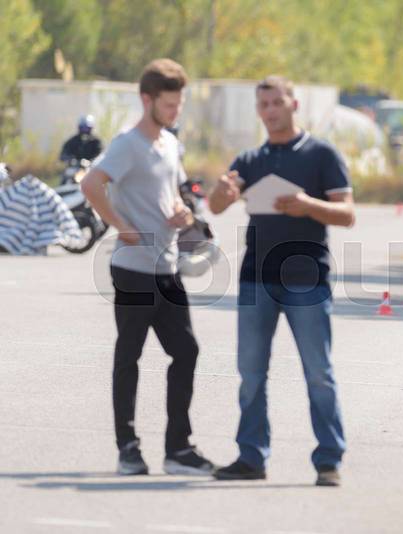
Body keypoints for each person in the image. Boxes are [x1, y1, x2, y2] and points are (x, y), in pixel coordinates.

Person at [208, 75, 355, 486]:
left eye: (277, 102)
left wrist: (308, 205)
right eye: (264, 105)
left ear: (294, 104)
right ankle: (251, 457)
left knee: (318, 373)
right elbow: (216, 207)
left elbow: (347, 213)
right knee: (251, 374)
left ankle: (329, 460)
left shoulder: (321, 154)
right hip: (256, 278)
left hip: (307, 279)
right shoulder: (250, 159)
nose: (270, 111)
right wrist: (222, 192)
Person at [81, 59, 214, 476]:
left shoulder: (170, 144)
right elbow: (90, 184)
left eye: (179, 104)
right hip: (133, 268)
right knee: (130, 356)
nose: (175, 111)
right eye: (169, 105)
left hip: (168, 266)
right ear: (147, 99)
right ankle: (128, 448)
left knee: (186, 351)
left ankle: (178, 450)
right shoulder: (127, 144)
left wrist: (183, 213)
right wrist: (120, 226)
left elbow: (175, 194)